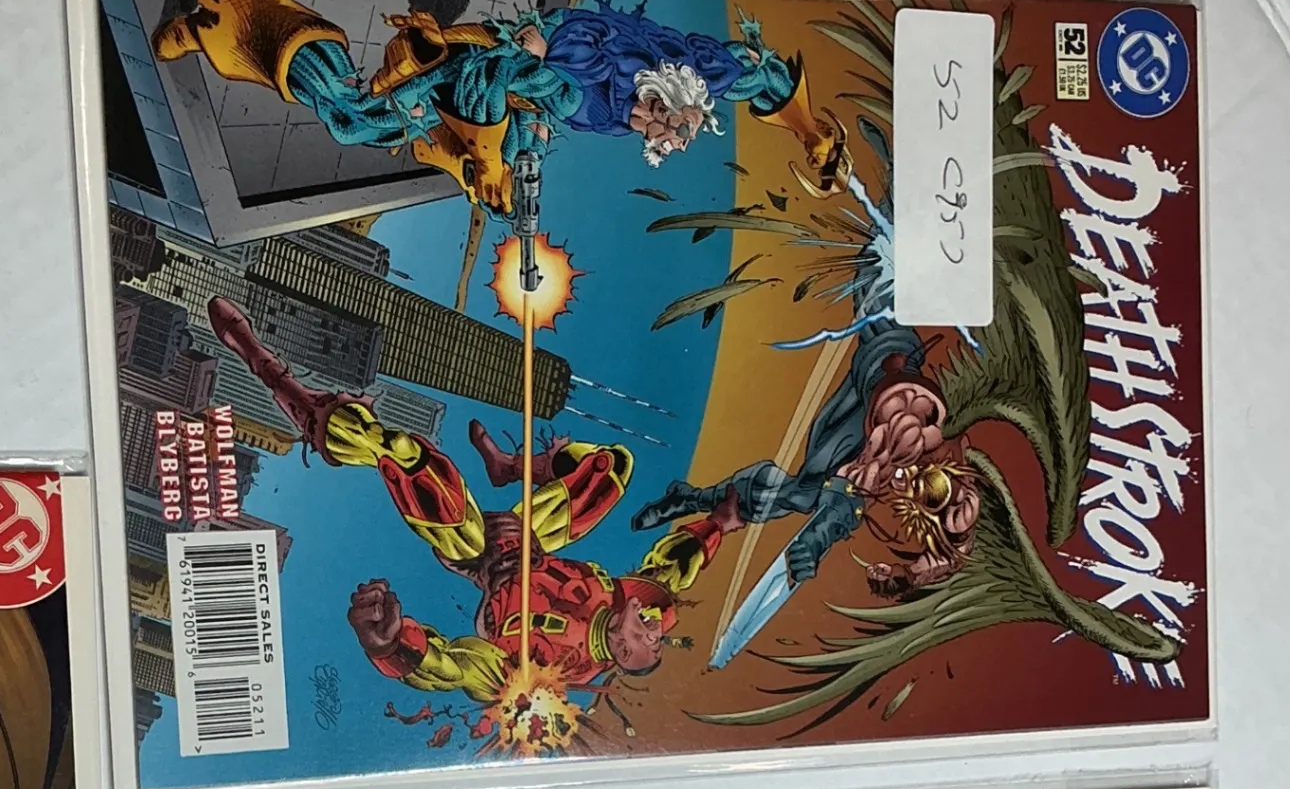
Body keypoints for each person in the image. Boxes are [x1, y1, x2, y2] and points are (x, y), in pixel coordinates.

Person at [207, 296, 745, 702]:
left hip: (477, 549)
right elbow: (675, 569)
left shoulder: (545, 671)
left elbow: (458, 668)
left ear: (624, 652)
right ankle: (512, 468)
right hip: (531, 535)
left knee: (408, 458)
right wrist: (718, 524)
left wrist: (391, 645)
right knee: (611, 468)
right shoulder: (631, 598)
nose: (655, 627)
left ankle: (287, 389)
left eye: (651, 640)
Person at [150, 0, 845, 211]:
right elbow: (521, 75)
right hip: (475, 65)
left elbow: (760, 72)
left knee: (364, 128)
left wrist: (811, 132)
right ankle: (234, 12)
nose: (646, 125)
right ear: (661, 92)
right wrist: (495, 158)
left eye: (656, 134)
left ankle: (243, 26)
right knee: (359, 118)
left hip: (494, 106)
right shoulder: (606, 69)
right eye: (657, 117)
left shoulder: (669, 90)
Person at [632, 325, 981, 598]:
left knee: (803, 492)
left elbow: (944, 558)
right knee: (811, 488)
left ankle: (694, 498)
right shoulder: (908, 438)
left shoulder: (955, 511)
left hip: (877, 398)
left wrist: (903, 579)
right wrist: (816, 540)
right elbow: (855, 487)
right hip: (886, 367)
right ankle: (693, 498)